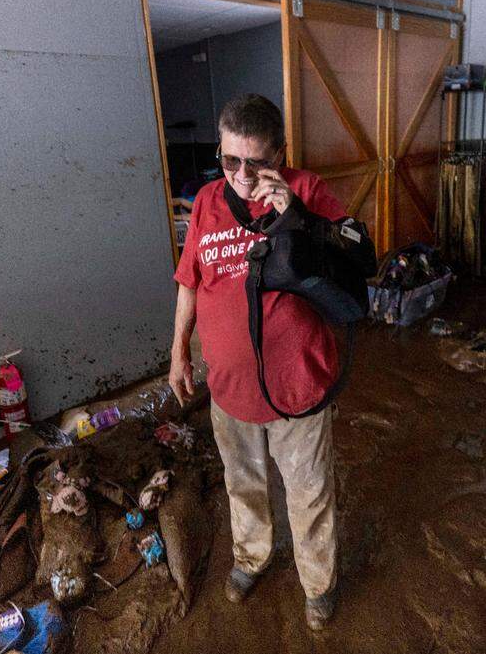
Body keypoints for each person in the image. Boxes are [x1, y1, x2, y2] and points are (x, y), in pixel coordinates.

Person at [168, 94, 346, 631]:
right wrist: (179, 349)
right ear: (219, 154)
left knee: (309, 491)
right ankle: (252, 558)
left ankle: (318, 584)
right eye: (230, 161)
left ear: (280, 154)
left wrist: (298, 215)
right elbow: (189, 282)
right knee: (242, 483)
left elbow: (354, 264)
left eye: (257, 162)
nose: (242, 175)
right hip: (229, 387)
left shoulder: (309, 191)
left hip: (299, 384)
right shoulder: (205, 202)